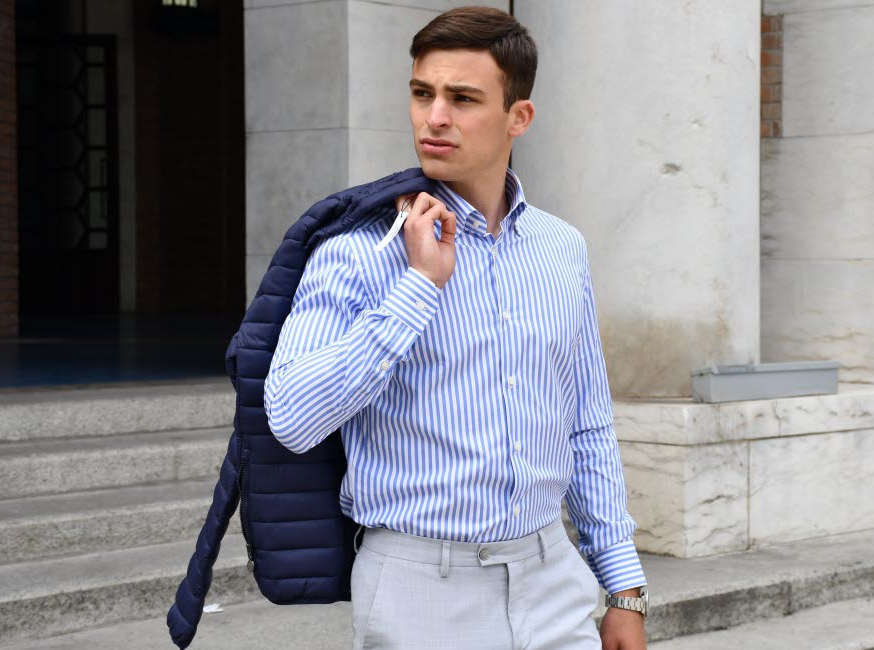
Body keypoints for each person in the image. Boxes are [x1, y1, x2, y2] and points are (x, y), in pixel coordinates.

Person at [263, 6, 647, 649]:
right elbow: (292, 416)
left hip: (552, 576)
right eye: (422, 94)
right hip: (420, 587)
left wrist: (624, 586)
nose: (434, 117)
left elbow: (586, 423)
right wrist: (417, 289)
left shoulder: (561, 248)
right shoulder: (360, 249)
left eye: (462, 98)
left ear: (517, 117)